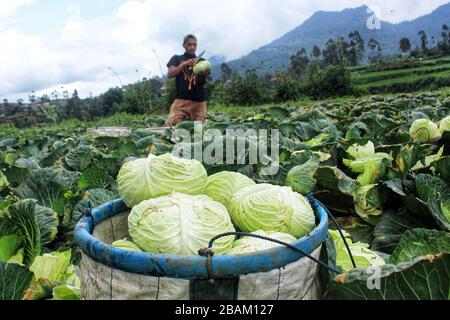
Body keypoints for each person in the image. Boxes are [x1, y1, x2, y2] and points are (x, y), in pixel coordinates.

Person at [165, 34, 210, 127]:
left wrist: (202, 76)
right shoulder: (176, 59)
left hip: (199, 102)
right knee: (170, 126)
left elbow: (202, 83)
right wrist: (184, 64)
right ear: (184, 45)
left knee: (200, 130)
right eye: (189, 44)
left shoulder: (202, 61)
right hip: (181, 101)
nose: (192, 47)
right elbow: (170, 74)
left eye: (194, 44)